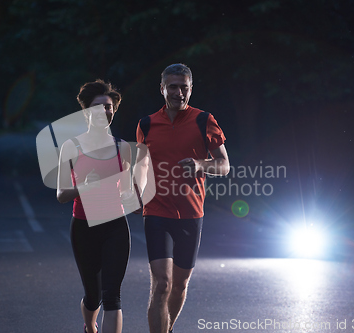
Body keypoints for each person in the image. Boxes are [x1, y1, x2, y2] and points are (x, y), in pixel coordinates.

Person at [134, 64, 230, 333]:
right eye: (173, 87)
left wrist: (201, 164)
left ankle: (168, 328)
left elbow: (224, 165)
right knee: (162, 283)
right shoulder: (147, 124)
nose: (179, 92)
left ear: (191, 89)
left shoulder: (204, 121)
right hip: (156, 212)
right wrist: (136, 194)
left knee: (180, 285)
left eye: (184, 87)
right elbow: (141, 166)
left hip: (191, 213)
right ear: (162, 88)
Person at [57, 80, 133, 333]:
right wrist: (86, 187)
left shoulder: (122, 148)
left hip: (115, 226)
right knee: (94, 295)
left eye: (109, 107)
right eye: (98, 107)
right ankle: (90, 326)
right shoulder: (72, 147)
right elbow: (61, 194)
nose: (105, 112)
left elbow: (127, 193)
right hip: (84, 227)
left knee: (112, 295)